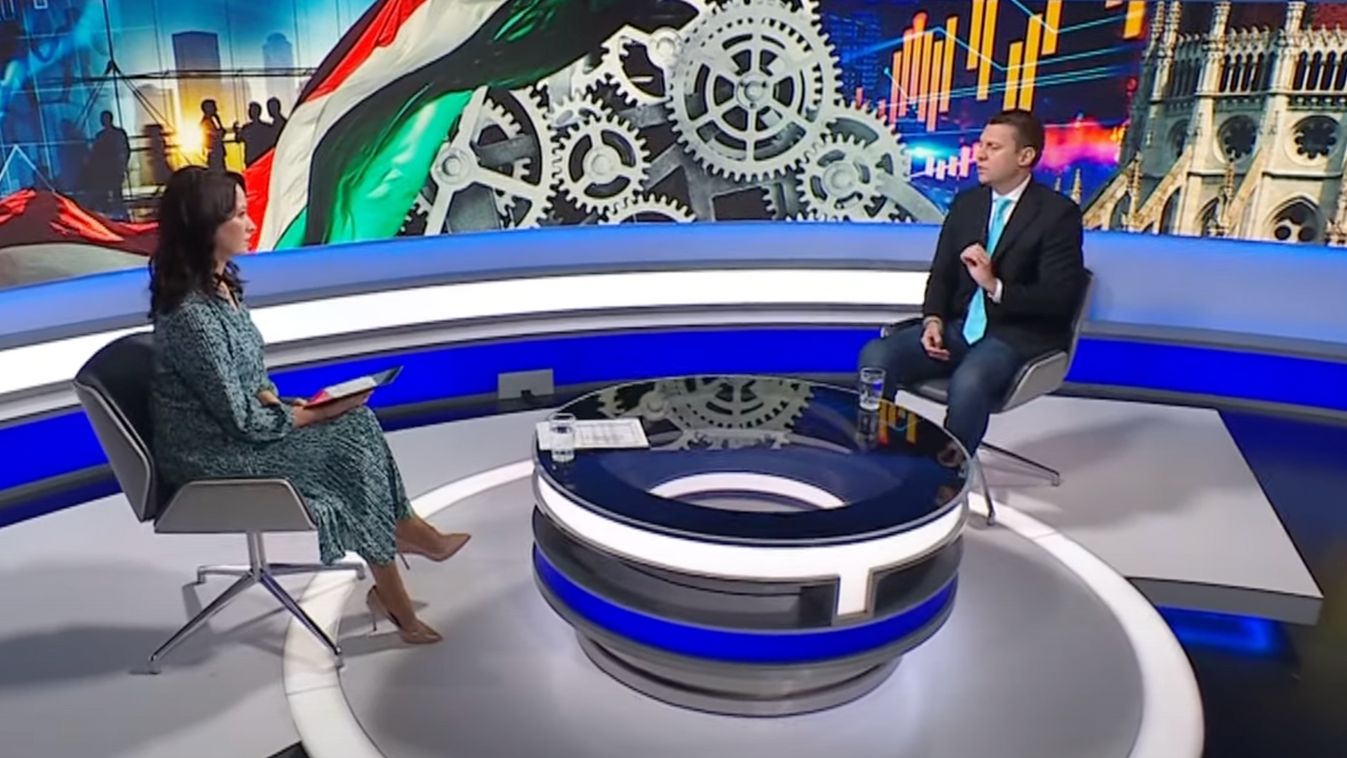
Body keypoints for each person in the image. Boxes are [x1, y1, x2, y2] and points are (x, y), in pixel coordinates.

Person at [147, 166, 469, 645]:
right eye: (238, 215)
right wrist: (320, 413)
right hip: (210, 454)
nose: (251, 223)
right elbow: (241, 422)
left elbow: (248, 379)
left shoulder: (221, 287)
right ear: (204, 227)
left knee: (358, 419)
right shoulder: (192, 316)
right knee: (349, 441)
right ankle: (396, 583)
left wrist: (287, 401)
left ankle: (403, 535)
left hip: (234, 428)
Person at [858, 109, 1086, 457]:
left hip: (1016, 335)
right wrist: (933, 320)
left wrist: (994, 286)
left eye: (993, 147)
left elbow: (1058, 299)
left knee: (970, 380)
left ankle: (949, 472)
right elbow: (942, 274)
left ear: (1025, 157)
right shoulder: (968, 204)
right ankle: (873, 450)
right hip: (960, 328)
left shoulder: (1057, 214)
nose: (979, 155)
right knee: (876, 355)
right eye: (981, 145)